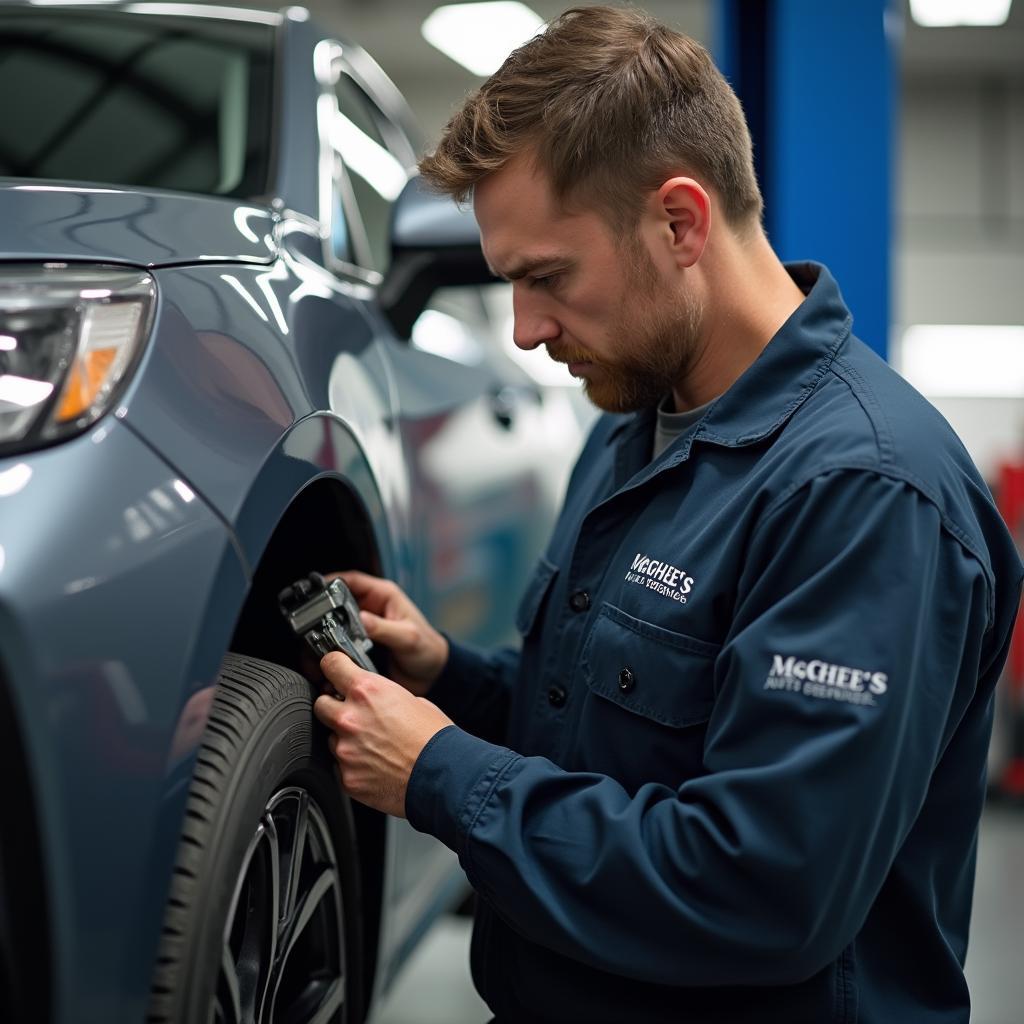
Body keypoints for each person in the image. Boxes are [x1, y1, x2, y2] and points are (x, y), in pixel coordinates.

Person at [312, 7, 1024, 1022]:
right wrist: (454, 682)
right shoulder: (632, 428)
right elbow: (628, 738)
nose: (523, 330)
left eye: (546, 277)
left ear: (681, 222)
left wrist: (439, 772)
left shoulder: (865, 493)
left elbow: (759, 888)